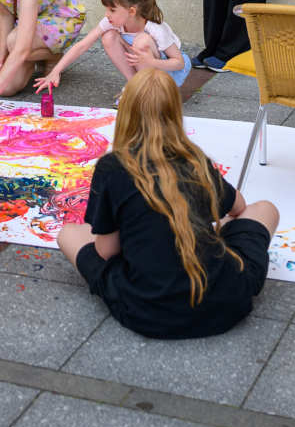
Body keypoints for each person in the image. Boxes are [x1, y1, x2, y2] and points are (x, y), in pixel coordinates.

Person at [58, 68, 279, 339]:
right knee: (265, 209)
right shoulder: (194, 159)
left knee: (69, 234)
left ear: (126, 113)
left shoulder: (112, 167)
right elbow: (240, 207)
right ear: (175, 113)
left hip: (147, 311)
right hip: (226, 302)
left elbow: (106, 251)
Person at [36, 0, 190, 97]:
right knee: (109, 36)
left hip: (168, 72)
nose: (107, 14)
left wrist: (151, 61)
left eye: (112, 10)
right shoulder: (112, 21)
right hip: (144, 64)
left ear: (131, 11)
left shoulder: (155, 28)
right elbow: (82, 45)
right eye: (106, 9)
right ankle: (135, 85)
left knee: (141, 41)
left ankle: (150, 92)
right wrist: (55, 71)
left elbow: (179, 63)